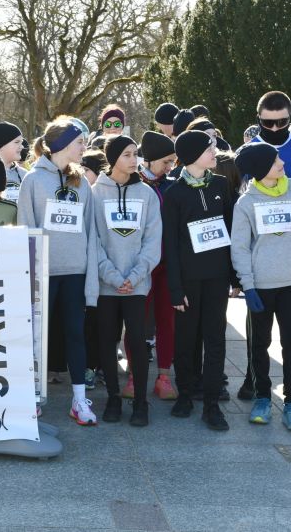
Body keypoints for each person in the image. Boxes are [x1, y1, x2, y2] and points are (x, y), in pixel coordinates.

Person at [17, 119, 99, 425]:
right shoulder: (32, 180)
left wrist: (90, 275)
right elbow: (26, 228)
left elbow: (90, 230)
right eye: (79, 142)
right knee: (36, 337)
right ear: (63, 144)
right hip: (43, 272)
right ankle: (30, 396)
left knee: (76, 334)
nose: (84, 147)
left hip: (75, 272)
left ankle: (79, 400)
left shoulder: (82, 182)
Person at [232, 142, 291, 431]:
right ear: (260, 168)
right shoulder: (245, 203)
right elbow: (240, 248)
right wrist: (248, 285)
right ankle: (262, 398)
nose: (282, 162)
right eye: (275, 159)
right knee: (259, 344)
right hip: (260, 287)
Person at [162, 131, 238, 430]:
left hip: (217, 278)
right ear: (194, 155)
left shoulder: (220, 185)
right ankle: (185, 394)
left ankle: (211, 404)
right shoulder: (174, 193)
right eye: (209, 149)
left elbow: (231, 229)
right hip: (188, 281)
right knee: (186, 340)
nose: (214, 152)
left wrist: (234, 276)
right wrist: (175, 288)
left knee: (215, 340)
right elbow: (170, 244)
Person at [92, 135, 162, 427]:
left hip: (137, 284)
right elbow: (92, 241)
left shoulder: (147, 194)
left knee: (136, 341)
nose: (134, 160)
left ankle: (141, 403)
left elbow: (153, 241)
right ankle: (113, 397)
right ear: (113, 159)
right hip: (106, 285)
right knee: (107, 341)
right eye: (127, 155)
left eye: (136, 154)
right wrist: (111, 275)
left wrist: (134, 276)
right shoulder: (95, 193)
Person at [119, 131, 179, 400]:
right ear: (151, 159)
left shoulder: (171, 186)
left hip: (166, 265)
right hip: (139, 266)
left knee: (167, 320)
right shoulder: (131, 184)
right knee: (136, 321)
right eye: (166, 161)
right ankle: (135, 375)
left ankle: (163, 376)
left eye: (173, 161)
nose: (170, 167)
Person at [0, 121, 27, 192]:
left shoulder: (24, 175)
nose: (22, 147)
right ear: (0, 146)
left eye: (21, 142)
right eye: (17, 142)